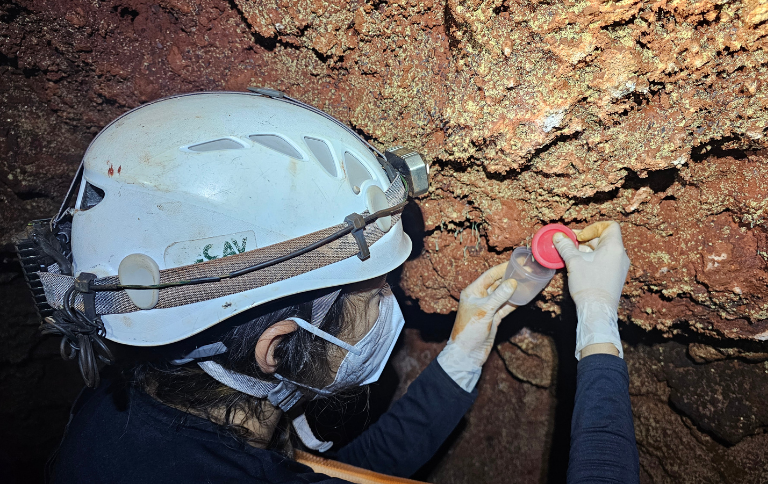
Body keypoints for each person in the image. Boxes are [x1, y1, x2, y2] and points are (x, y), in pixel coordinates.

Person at [32, 90, 637, 483]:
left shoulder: (130, 418)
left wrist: (465, 351)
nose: (390, 305)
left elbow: (334, 473)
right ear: (278, 348)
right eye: (373, 291)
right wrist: (598, 321)